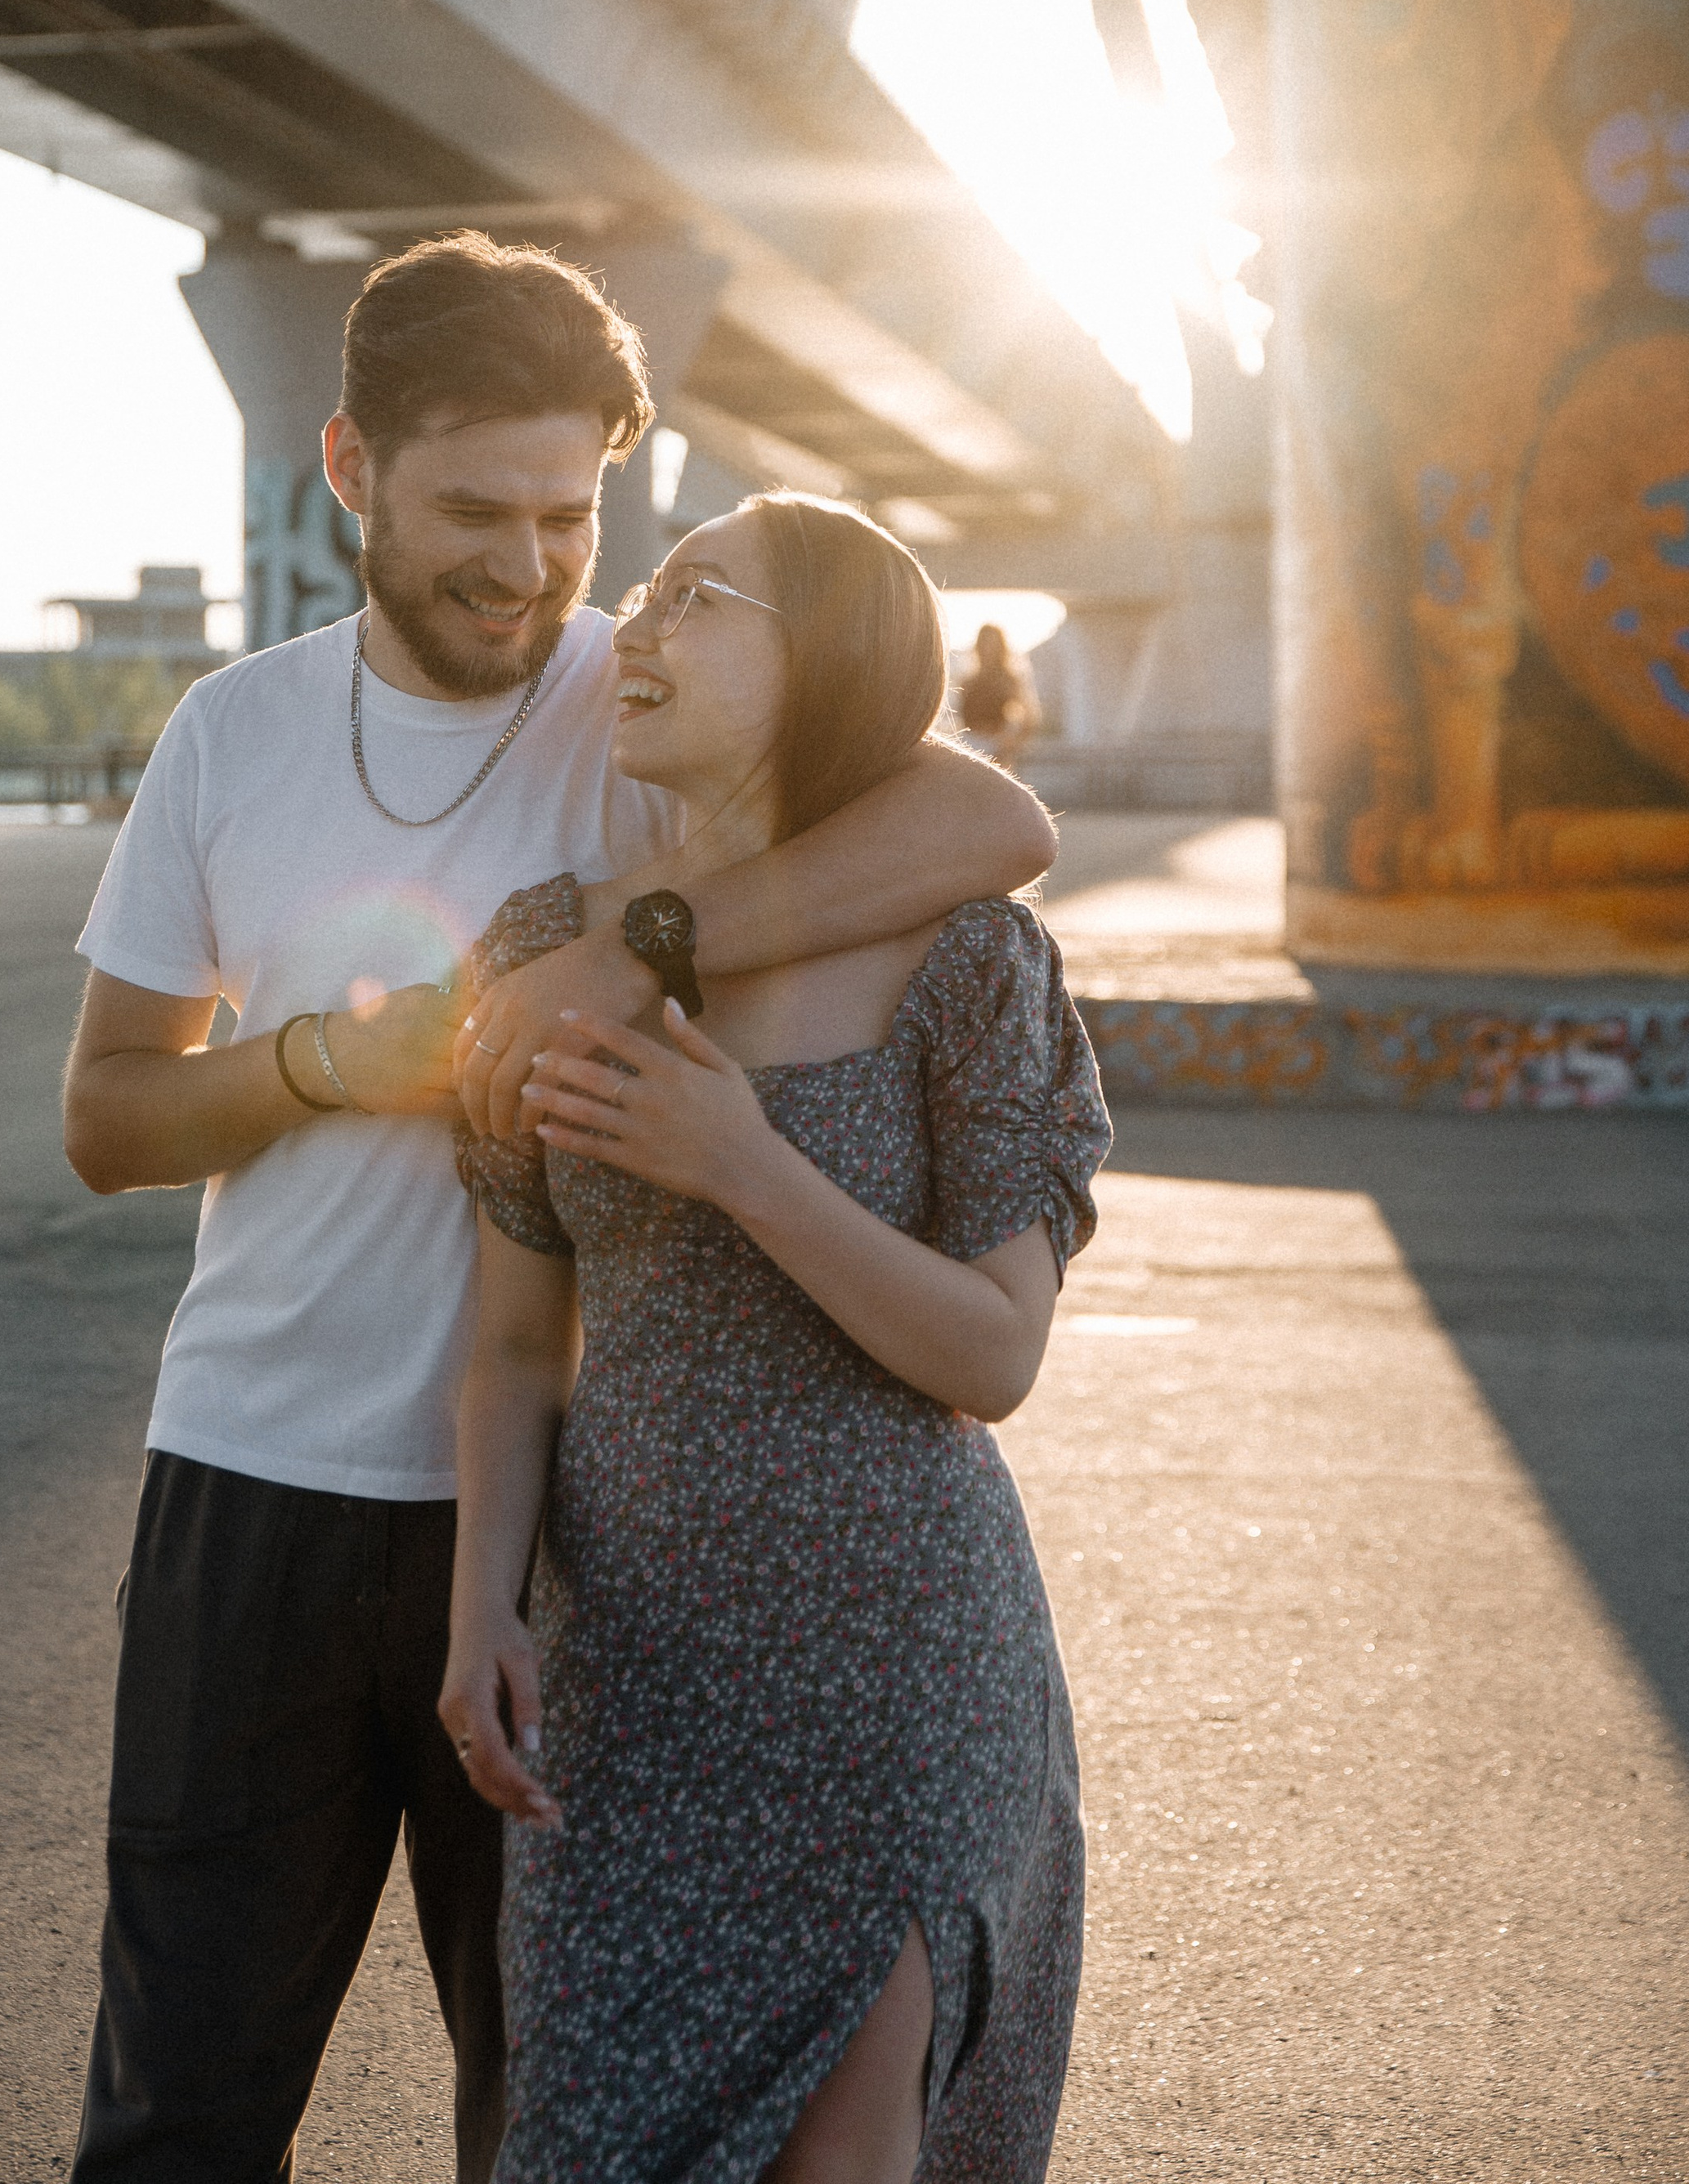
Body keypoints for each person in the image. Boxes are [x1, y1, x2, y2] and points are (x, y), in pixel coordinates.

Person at [59, 235, 1058, 2184]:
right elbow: (105, 1116)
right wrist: (336, 1064)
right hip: (247, 1486)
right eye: (469, 513)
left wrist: (627, 945)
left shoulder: (651, 694)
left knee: (551, 2109)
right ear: (343, 466)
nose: (525, 566)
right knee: (176, 2106)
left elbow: (988, 826)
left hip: (572, 1535)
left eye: (567, 513)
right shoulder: (230, 736)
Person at [444, 491, 1109, 2182]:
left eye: (698, 598)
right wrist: (481, 1612)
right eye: (644, 597)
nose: (635, 631)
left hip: (899, 1672)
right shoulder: (545, 956)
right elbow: (518, 1344)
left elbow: (992, 1357)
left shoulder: (965, 959)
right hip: (633, 1684)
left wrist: (742, 1165)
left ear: (830, 664)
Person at [957, 619, 1039, 770]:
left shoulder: (1008, 680)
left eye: (993, 645)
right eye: (984, 644)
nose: (988, 650)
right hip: (968, 748)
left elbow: (1029, 717)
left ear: (1001, 648)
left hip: (996, 750)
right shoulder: (968, 681)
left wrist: (1010, 743)